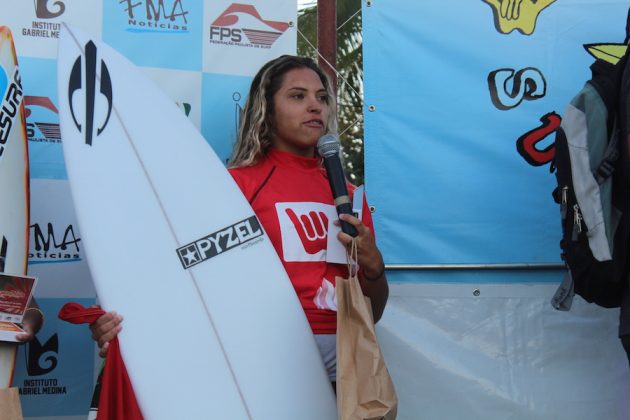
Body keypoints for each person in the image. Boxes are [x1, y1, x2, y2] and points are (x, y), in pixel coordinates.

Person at [89, 55, 389, 384]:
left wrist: (374, 271)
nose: (315, 107)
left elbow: (371, 314)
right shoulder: (235, 186)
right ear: (267, 110)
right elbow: (186, 275)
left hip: (345, 368)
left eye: (321, 98)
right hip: (261, 362)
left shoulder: (347, 194)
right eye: (297, 96)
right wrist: (126, 326)